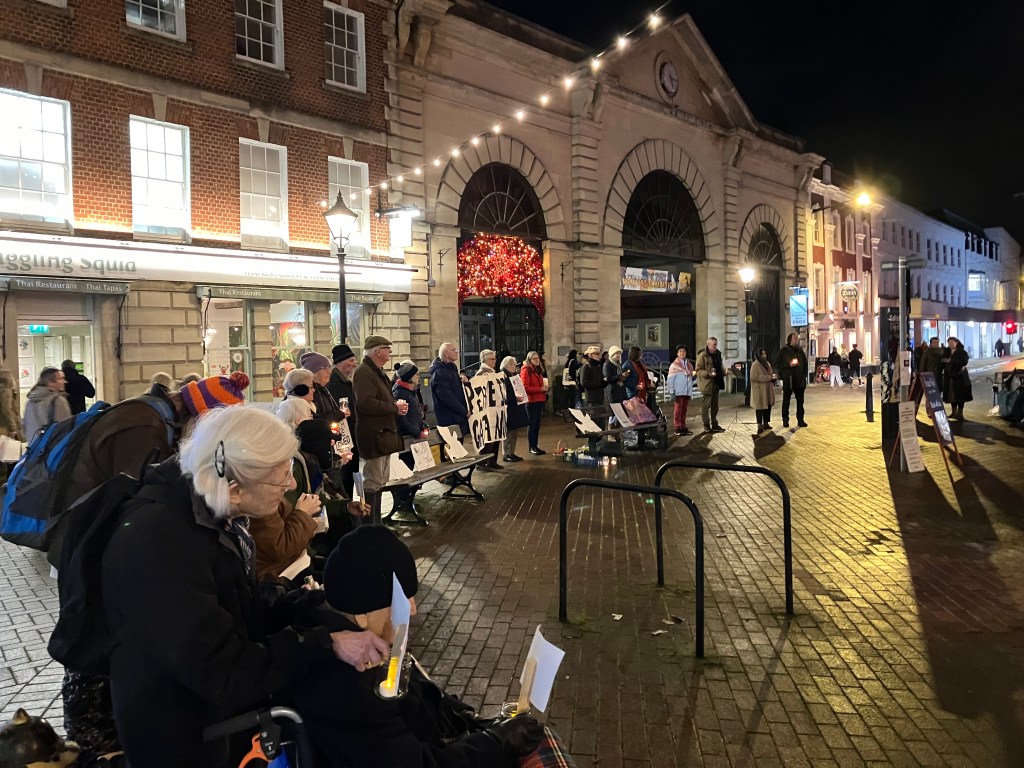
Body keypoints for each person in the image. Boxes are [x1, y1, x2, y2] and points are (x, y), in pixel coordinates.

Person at [99, 406, 390, 767]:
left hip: (213, 722)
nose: (290, 486)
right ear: (234, 489)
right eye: (281, 478)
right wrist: (323, 644)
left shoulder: (206, 512)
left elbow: (235, 609)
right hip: (188, 739)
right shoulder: (159, 542)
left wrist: (301, 603)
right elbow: (222, 669)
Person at [60, 373, 251, 765]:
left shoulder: (157, 419)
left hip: (115, 544)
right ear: (200, 419)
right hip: (98, 547)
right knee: (101, 660)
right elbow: (144, 494)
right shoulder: (143, 425)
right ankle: (100, 746)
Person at [280, 525, 546, 766]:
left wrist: (480, 726)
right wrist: (495, 741)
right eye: (401, 600)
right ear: (362, 615)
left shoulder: (350, 636)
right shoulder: (351, 684)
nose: (413, 609)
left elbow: (425, 707)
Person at [353, 335, 409, 524]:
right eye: (387, 349)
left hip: (383, 433)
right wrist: (393, 408)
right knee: (373, 481)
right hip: (374, 434)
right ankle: (370, 525)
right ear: (377, 351)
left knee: (380, 481)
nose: (390, 352)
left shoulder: (376, 371)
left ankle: (377, 523)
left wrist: (394, 406)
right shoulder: (364, 372)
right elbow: (365, 403)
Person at [327, 344, 359, 500]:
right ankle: (346, 508)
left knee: (350, 478)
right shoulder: (333, 382)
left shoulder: (345, 381)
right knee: (344, 479)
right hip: (342, 439)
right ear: (339, 362)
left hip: (350, 437)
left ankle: (349, 506)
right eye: (351, 360)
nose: (354, 364)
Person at [429, 343, 470, 442]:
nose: (457, 352)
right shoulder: (440, 373)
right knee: (453, 446)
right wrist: (464, 411)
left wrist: (464, 379)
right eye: (453, 350)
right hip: (449, 418)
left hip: (457, 417)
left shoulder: (451, 368)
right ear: (446, 354)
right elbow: (447, 397)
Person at [23, 367, 72, 442]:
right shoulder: (58, 401)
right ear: (50, 383)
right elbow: (66, 427)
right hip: (53, 445)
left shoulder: (30, 401)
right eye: (61, 379)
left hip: (33, 445)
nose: (65, 381)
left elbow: (26, 427)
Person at [472, 350, 502, 469]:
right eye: (492, 359)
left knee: (496, 436)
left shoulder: (492, 372)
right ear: (484, 360)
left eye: (495, 358)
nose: (494, 361)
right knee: (488, 437)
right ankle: (482, 462)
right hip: (487, 410)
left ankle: (492, 461)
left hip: (495, 409)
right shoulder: (482, 373)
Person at [300, 351, 344, 424]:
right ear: (313, 372)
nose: (329, 371)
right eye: (325, 368)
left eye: (329, 367)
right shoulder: (307, 393)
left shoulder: (322, 389)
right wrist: (340, 414)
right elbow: (317, 421)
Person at [776, 333, 808, 428]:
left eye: (797, 338)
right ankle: (785, 419)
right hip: (788, 379)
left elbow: (805, 364)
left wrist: (804, 376)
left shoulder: (799, 350)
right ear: (790, 339)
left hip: (799, 379)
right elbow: (778, 364)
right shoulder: (784, 350)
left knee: (800, 401)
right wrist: (788, 365)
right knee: (786, 400)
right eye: (795, 338)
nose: (797, 340)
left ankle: (800, 419)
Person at [499, 356, 528, 462]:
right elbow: (502, 394)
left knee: (515, 431)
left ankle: (512, 452)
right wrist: (515, 398)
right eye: (511, 365)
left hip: (516, 407)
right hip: (508, 407)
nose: (513, 367)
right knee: (509, 431)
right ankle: (506, 454)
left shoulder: (514, 375)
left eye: (514, 364)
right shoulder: (503, 376)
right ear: (505, 365)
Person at [695, 338, 725, 433]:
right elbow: (698, 370)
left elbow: (719, 366)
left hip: (716, 383)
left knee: (715, 406)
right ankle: (706, 425)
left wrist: (723, 372)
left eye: (716, 344)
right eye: (713, 344)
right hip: (707, 384)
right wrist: (708, 373)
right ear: (708, 345)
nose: (715, 346)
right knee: (706, 406)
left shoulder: (718, 354)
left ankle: (714, 423)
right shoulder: (703, 355)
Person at [521, 351, 548, 455]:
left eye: (537, 358)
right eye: (534, 359)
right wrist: (540, 389)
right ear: (530, 360)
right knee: (532, 425)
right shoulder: (526, 370)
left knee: (537, 425)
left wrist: (545, 388)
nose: (537, 360)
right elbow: (525, 388)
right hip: (532, 401)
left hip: (539, 399)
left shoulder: (538, 369)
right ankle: (532, 447)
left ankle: (535, 445)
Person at [666, 344, 694, 436]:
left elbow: (691, 376)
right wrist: (671, 392)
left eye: (684, 351)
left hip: (686, 391)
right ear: (677, 354)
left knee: (684, 410)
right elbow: (670, 380)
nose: (682, 353)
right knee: (678, 410)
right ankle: (677, 427)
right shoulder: (674, 366)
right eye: (680, 351)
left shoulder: (689, 364)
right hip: (678, 392)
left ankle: (683, 426)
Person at [942, 336, 972, 420]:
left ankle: (960, 413)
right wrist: (944, 360)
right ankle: (953, 412)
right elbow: (942, 359)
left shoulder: (962, 352)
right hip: (949, 376)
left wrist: (951, 361)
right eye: (949, 343)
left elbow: (964, 362)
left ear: (956, 343)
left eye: (952, 342)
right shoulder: (947, 351)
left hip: (960, 376)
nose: (950, 344)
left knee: (960, 395)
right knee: (951, 395)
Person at [750, 348, 777, 434]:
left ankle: (766, 422)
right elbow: (753, 377)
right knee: (760, 407)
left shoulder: (767, 363)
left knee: (768, 406)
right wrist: (768, 378)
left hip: (767, 389)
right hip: (759, 390)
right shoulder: (755, 365)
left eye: (765, 353)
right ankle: (759, 424)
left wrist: (773, 377)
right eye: (762, 354)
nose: (764, 355)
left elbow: (770, 373)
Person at [604, 346, 628, 429]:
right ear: (612, 355)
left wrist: (623, 377)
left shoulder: (619, 365)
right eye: (616, 353)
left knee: (620, 414)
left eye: (619, 353)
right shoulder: (607, 365)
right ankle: (611, 433)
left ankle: (617, 433)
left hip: (620, 391)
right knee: (613, 415)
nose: (618, 355)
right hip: (612, 393)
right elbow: (608, 378)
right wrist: (620, 376)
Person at [0, 369, 23, 441]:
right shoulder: (6, 389)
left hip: (5, 425)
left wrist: (12, 428)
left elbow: (6, 409)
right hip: (7, 425)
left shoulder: (5, 389)